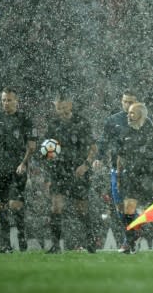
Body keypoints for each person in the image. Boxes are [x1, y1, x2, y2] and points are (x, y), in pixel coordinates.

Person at [41, 92, 97, 254]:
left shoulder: (82, 123)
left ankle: (90, 241)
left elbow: (93, 149)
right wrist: (48, 168)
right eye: (58, 108)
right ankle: (56, 245)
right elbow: (47, 150)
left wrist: (85, 166)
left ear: (70, 105)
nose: (61, 111)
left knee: (82, 210)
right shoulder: (53, 125)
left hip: (78, 172)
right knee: (56, 207)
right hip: (58, 172)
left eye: (64, 107)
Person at [0, 87, 36, 253]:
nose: (6, 103)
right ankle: (5, 244)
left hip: (17, 169)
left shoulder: (25, 119)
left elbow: (31, 146)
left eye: (9, 100)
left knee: (15, 204)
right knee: (1, 207)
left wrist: (23, 163)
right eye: (4, 100)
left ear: (16, 101)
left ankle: (21, 236)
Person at [116, 102, 153, 254]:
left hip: (149, 176)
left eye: (132, 112)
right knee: (128, 208)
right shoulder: (124, 133)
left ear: (141, 115)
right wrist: (119, 177)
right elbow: (120, 157)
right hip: (131, 176)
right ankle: (130, 242)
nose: (128, 115)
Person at [92, 90, 138, 251]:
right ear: (121, 102)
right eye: (125, 101)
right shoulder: (113, 120)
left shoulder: (144, 120)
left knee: (129, 205)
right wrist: (98, 157)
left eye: (131, 102)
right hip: (116, 168)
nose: (128, 105)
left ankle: (128, 239)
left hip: (137, 169)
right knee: (119, 206)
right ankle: (133, 231)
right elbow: (104, 141)